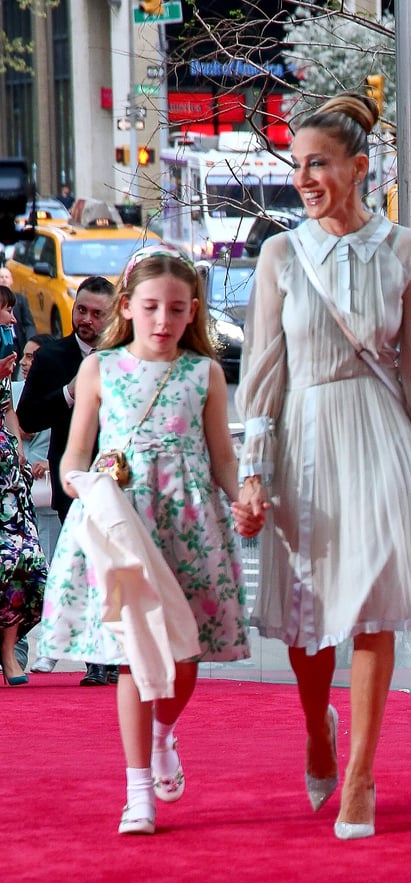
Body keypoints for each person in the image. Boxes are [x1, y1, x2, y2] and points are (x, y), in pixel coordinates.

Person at [232, 92, 411, 841]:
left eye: (317, 163)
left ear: (359, 168)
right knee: (306, 625)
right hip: (303, 438)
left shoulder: (408, 250)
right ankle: (317, 728)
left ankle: (360, 774)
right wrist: (254, 468)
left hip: (380, 434)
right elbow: (262, 368)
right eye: (297, 164)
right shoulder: (280, 254)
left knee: (371, 605)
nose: (304, 177)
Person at [36, 246, 249, 834]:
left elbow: (222, 459)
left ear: (192, 313)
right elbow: (73, 456)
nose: (162, 320)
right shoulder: (99, 369)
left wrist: (245, 496)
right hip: (124, 524)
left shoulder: (203, 373)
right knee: (133, 656)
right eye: (151, 307)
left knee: (186, 654)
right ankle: (137, 794)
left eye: (175, 310)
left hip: (189, 528)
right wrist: (88, 489)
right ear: (127, 307)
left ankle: (161, 736)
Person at [17, 275, 116, 686]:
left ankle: (114, 654)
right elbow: (27, 418)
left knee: (115, 568)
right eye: (81, 310)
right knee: (87, 565)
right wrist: (69, 393)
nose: (86, 319)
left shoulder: (126, 355)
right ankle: (96, 657)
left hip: (120, 479)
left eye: (97, 313)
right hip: (71, 478)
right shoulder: (53, 356)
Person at [0, 287, 47, 686]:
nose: (13, 320)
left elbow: (9, 411)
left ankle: (10, 650)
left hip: (9, 481)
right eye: (6, 311)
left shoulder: (6, 362)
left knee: (25, 560)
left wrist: (18, 448)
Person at [11, 334, 60, 673]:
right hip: (15, 500)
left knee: (53, 577)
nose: (27, 363)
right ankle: (17, 651)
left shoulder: (61, 393)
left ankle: (53, 644)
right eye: (25, 357)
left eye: (34, 357)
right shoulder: (9, 390)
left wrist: (49, 465)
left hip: (50, 499)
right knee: (16, 577)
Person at [0, 267, 36, 366]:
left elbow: (29, 324)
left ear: (11, 280)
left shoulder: (21, 299)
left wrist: (30, 342)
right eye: (1, 277)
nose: (4, 279)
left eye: (6, 277)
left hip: (17, 344)